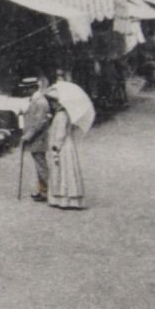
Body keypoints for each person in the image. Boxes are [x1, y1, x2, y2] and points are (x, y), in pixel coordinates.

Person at [21, 77, 95, 210]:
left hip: (54, 144)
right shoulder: (58, 112)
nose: (52, 105)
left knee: (52, 169)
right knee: (54, 170)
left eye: (53, 102)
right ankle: (52, 192)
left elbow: (55, 131)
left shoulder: (56, 112)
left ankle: (56, 194)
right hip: (59, 145)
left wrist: (54, 147)